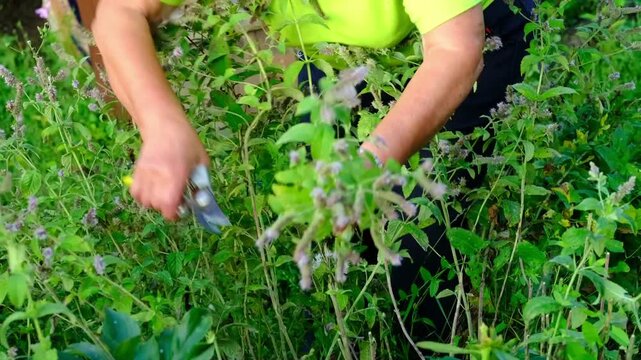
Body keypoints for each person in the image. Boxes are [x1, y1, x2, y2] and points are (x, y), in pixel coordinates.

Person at [57, 0, 533, 341]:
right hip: (338, 56)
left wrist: (364, 168)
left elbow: (454, 50)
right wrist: (162, 128)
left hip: (473, 34)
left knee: (420, 236)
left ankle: (455, 339)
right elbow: (120, 11)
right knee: (338, 239)